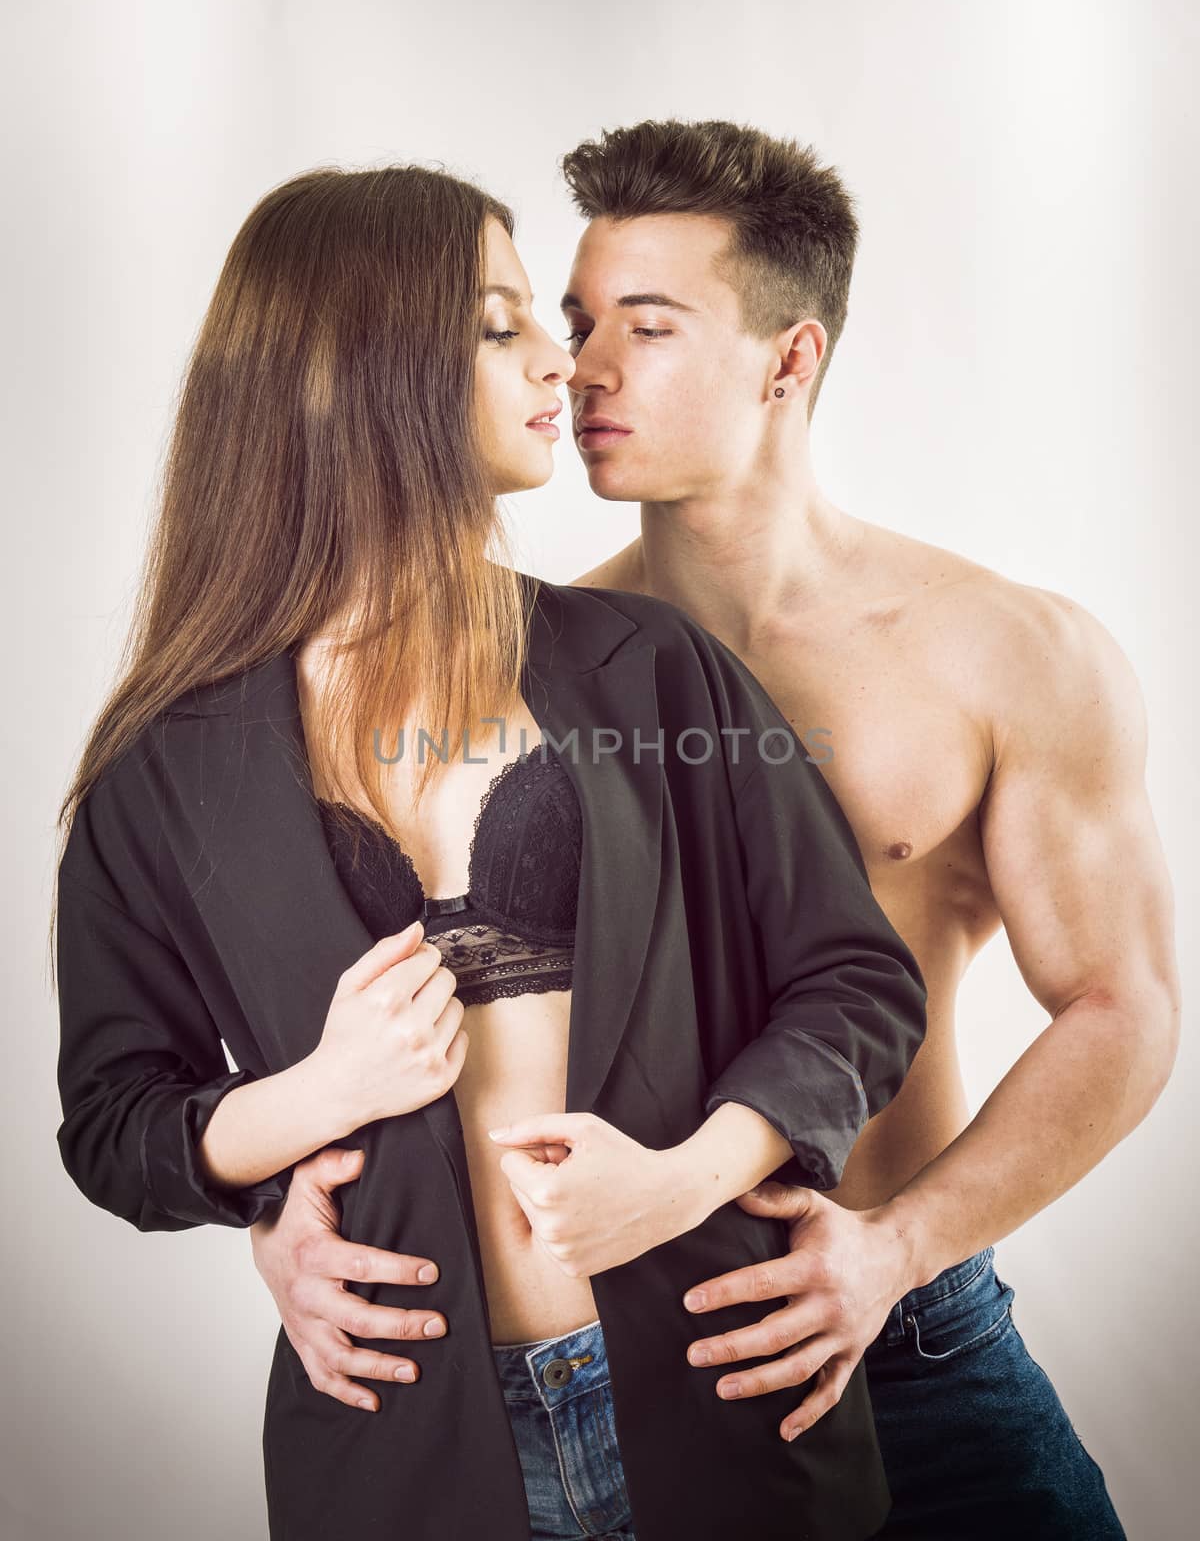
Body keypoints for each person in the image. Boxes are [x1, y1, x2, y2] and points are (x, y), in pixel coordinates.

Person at [254, 123, 1181, 1539]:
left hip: (906, 1324)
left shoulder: (1011, 655)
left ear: (789, 359)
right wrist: (285, 1228)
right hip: (623, 1357)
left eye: (650, 326)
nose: (583, 368)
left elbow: (1123, 1010)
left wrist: (894, 1250)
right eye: (572, 323)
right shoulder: (515, 676)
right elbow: (374, 1012)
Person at [51, 161, 928, 1541]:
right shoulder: (162, 773)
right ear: (354, 368)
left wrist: (686, 1178)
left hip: (723, 1397)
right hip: (409, 1461)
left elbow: (856, 985)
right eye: (499, 322)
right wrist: (310, 1098)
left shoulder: (650, 671)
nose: (561, 361)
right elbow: (113, 1124)